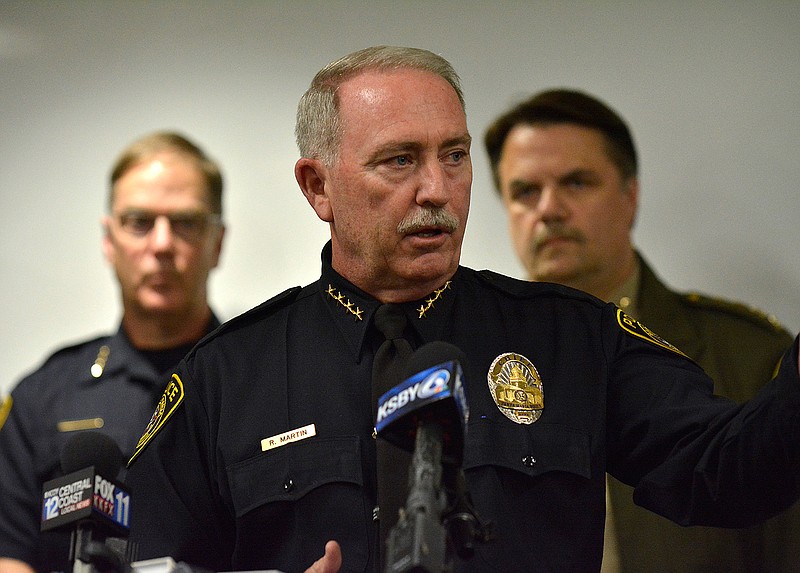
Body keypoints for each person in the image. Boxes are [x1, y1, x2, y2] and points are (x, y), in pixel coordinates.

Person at [125, 46, 800, 573]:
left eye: (454, 155)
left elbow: (727, 471)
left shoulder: (570, 335)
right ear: (317, 186)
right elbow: (141, 557)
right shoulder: (226, 374)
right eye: (399, 161)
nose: (436, 190)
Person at [482, 88, 799, 572]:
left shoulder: (750, 354)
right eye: (525, 192)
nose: (549, 209)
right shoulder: (474, 359)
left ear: (630, 197)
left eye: (577, 183)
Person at [0, 131, 227, 573]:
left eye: (185, 222)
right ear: (109, 240)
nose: (161, 245)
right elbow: (8, 555)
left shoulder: (265, 382)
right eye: (139, 221)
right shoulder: (41, 399)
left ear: (217, 242)